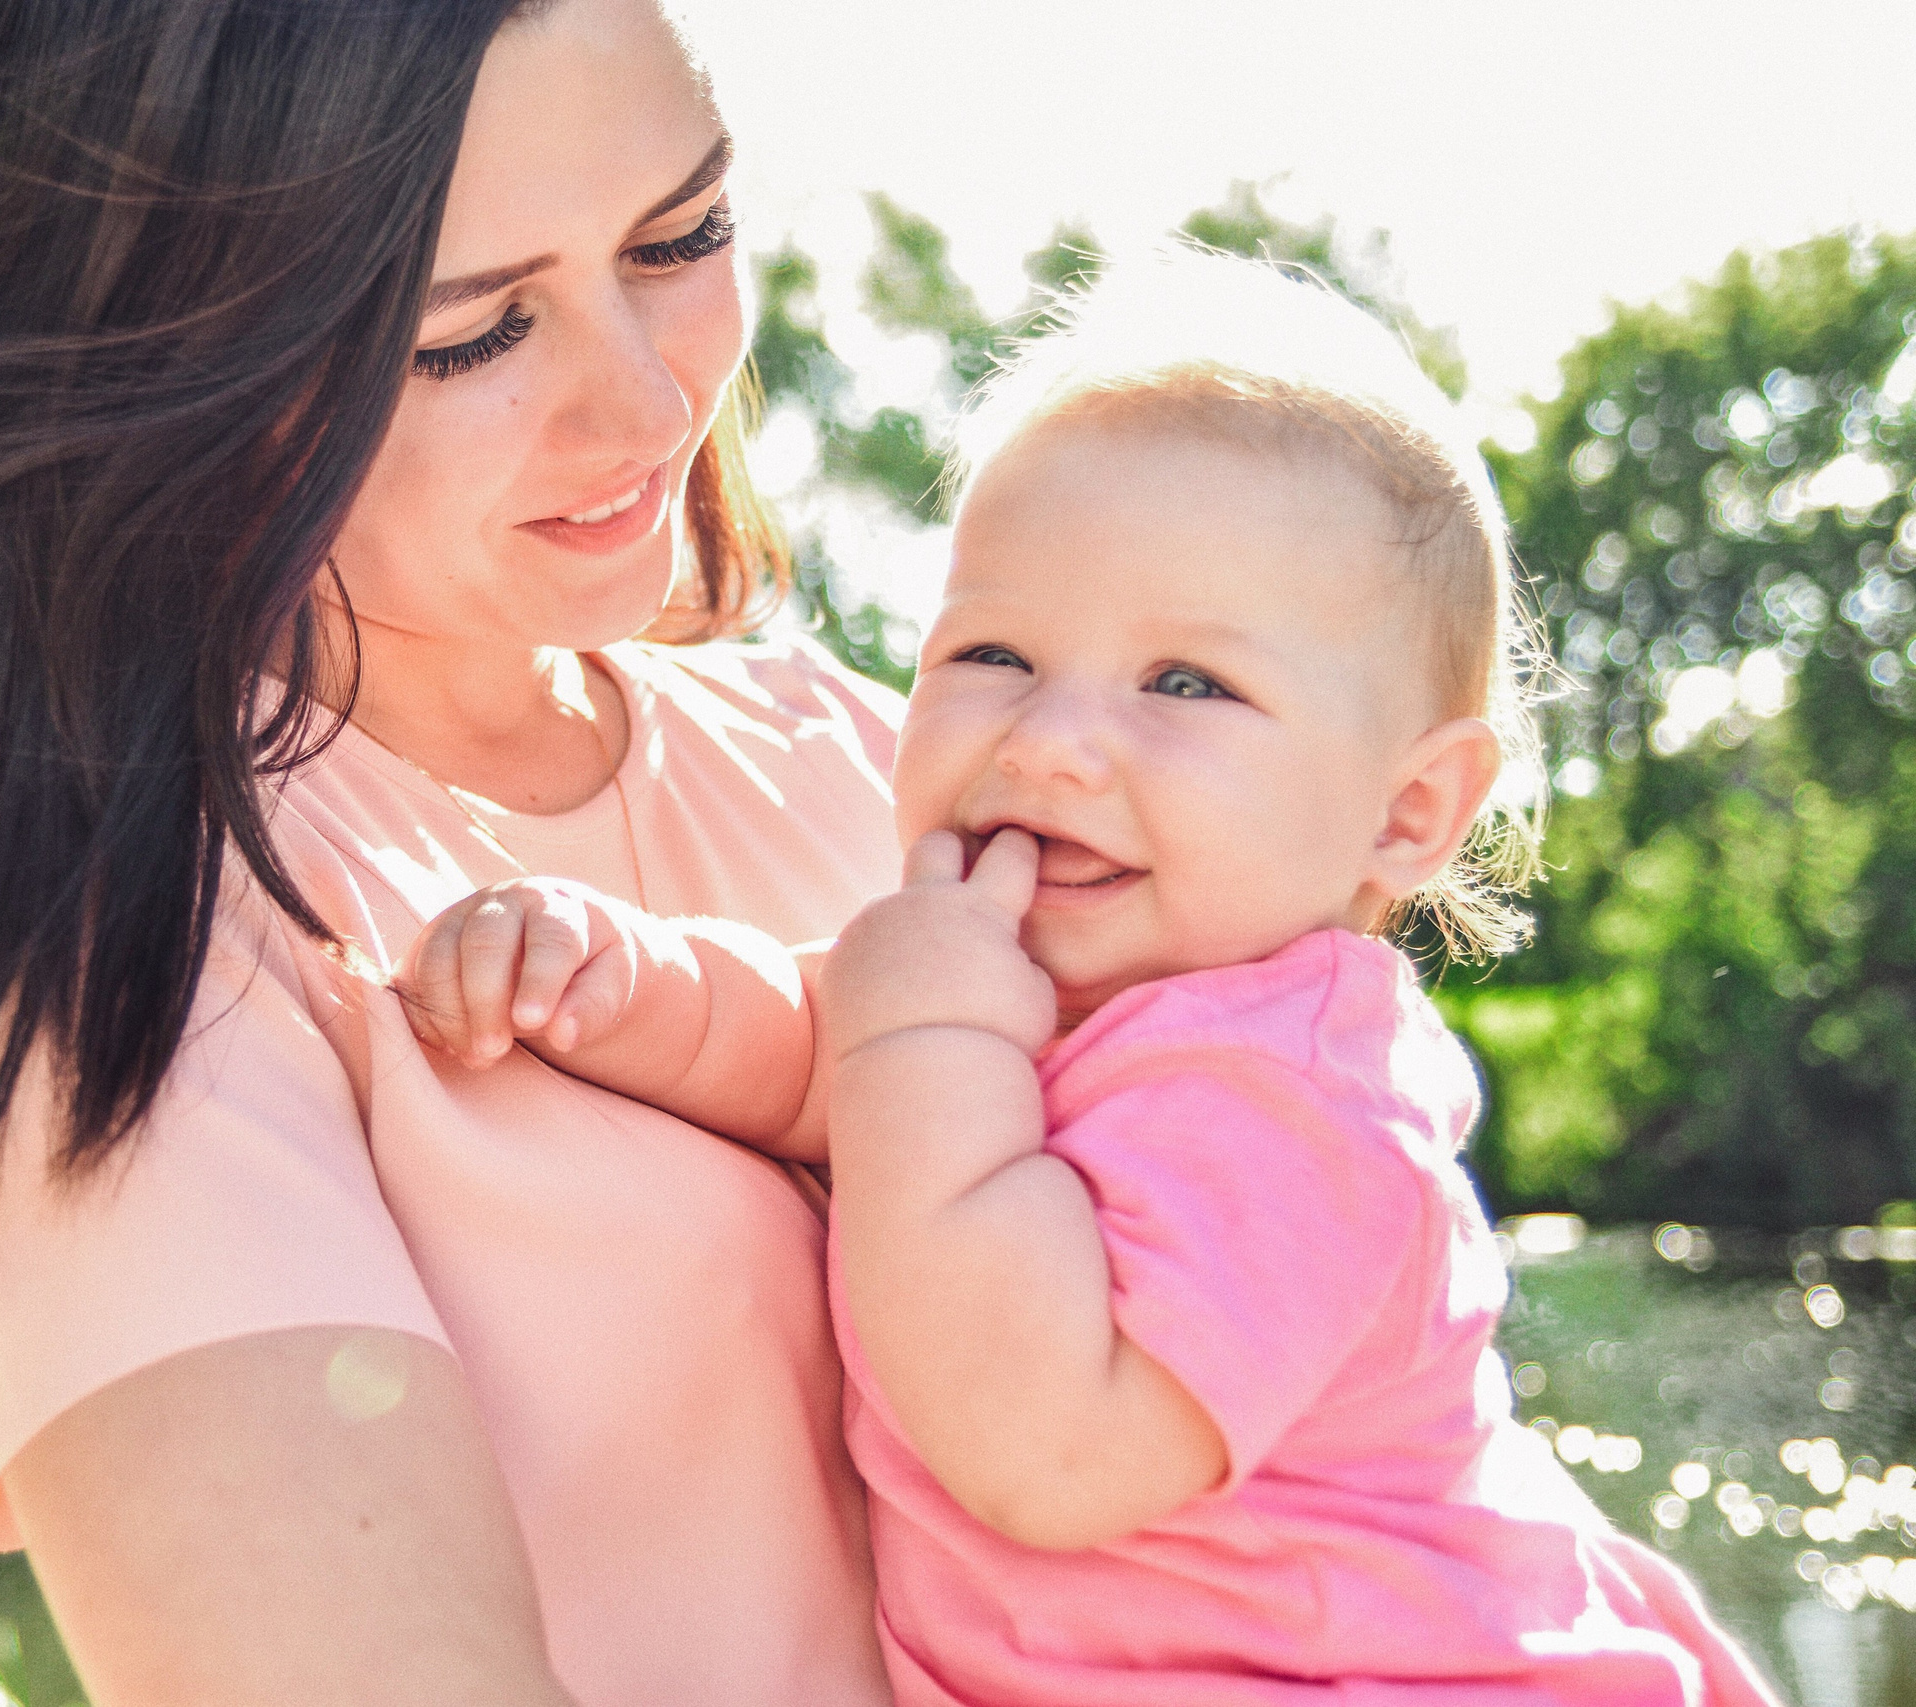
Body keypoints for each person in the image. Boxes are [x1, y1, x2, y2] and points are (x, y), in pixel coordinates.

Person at [0, 0, 904, 1701]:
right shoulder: (101, 940)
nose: (641, 401)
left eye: (679, 237)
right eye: (472, 336)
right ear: (166, 348)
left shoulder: (892, 762)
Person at [398, 254, 1784, 1704]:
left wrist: (922, 1035)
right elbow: (818, 1050)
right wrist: (616, 975)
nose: (1051, 740)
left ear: (1408, 813)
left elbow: (1044, 1448)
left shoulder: (1295, 1103)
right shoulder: (999, 1000)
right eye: (993, 653)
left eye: (1186, 685)